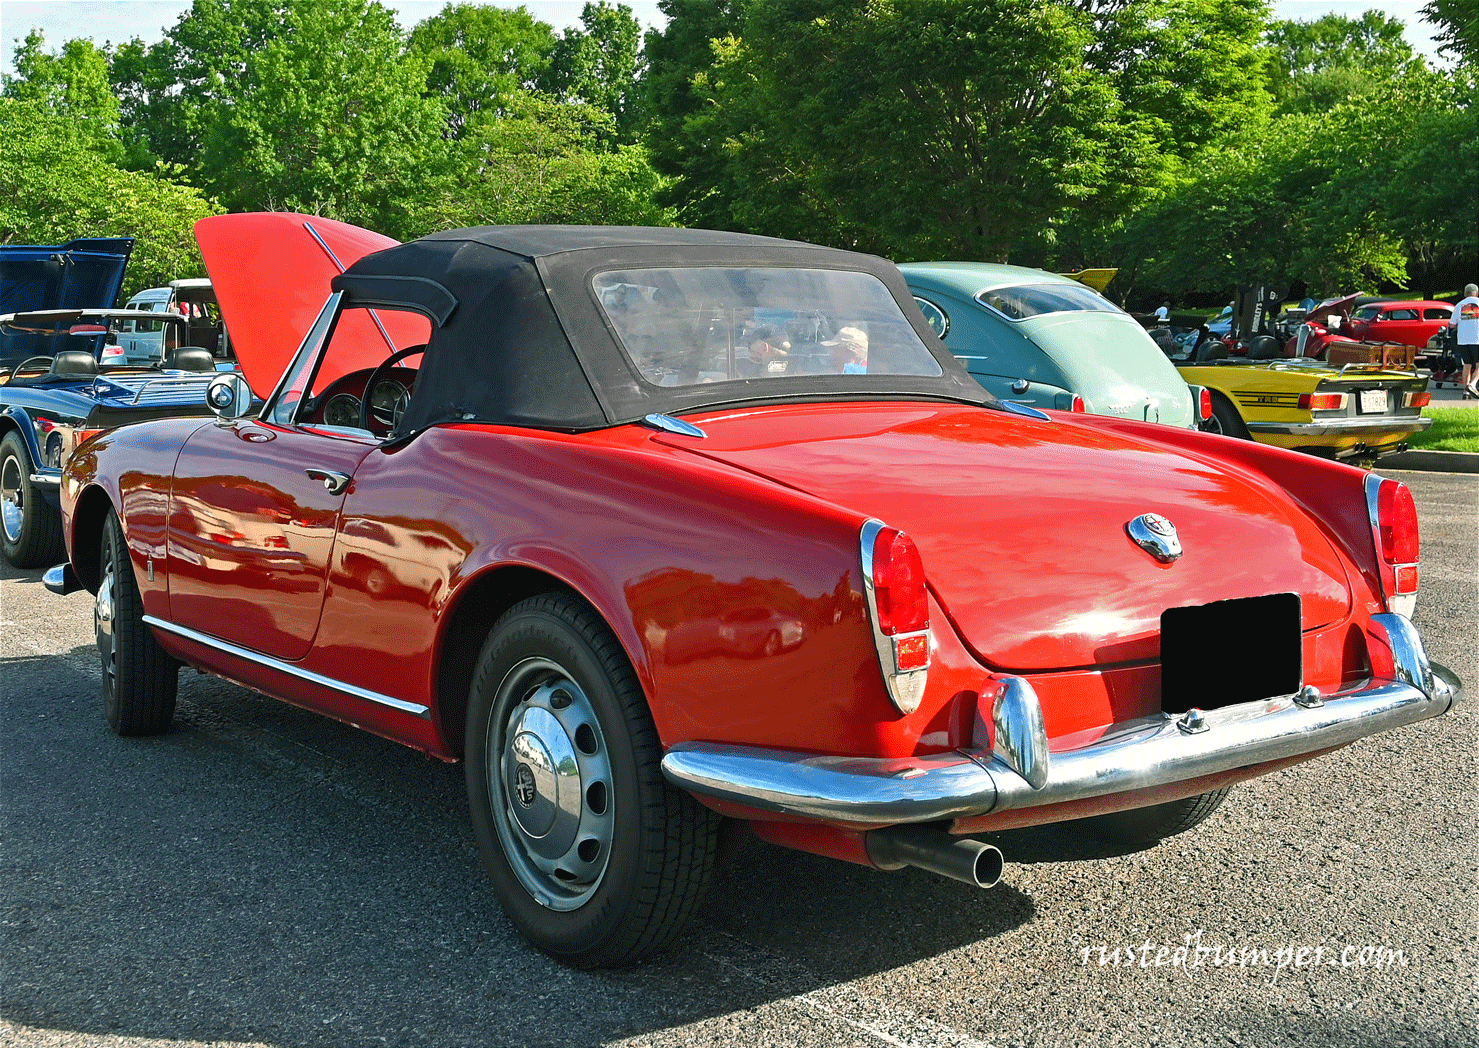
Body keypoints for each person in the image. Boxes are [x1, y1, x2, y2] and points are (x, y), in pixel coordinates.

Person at [1451, 283, 1479, 398]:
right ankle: (1472, 385)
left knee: (1467, 365)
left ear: (1465, 293)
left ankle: (1466, 392)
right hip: (1477, 339)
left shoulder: (1459, 305)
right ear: (1477, 293)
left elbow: (1452, 324)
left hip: (1463, 340)